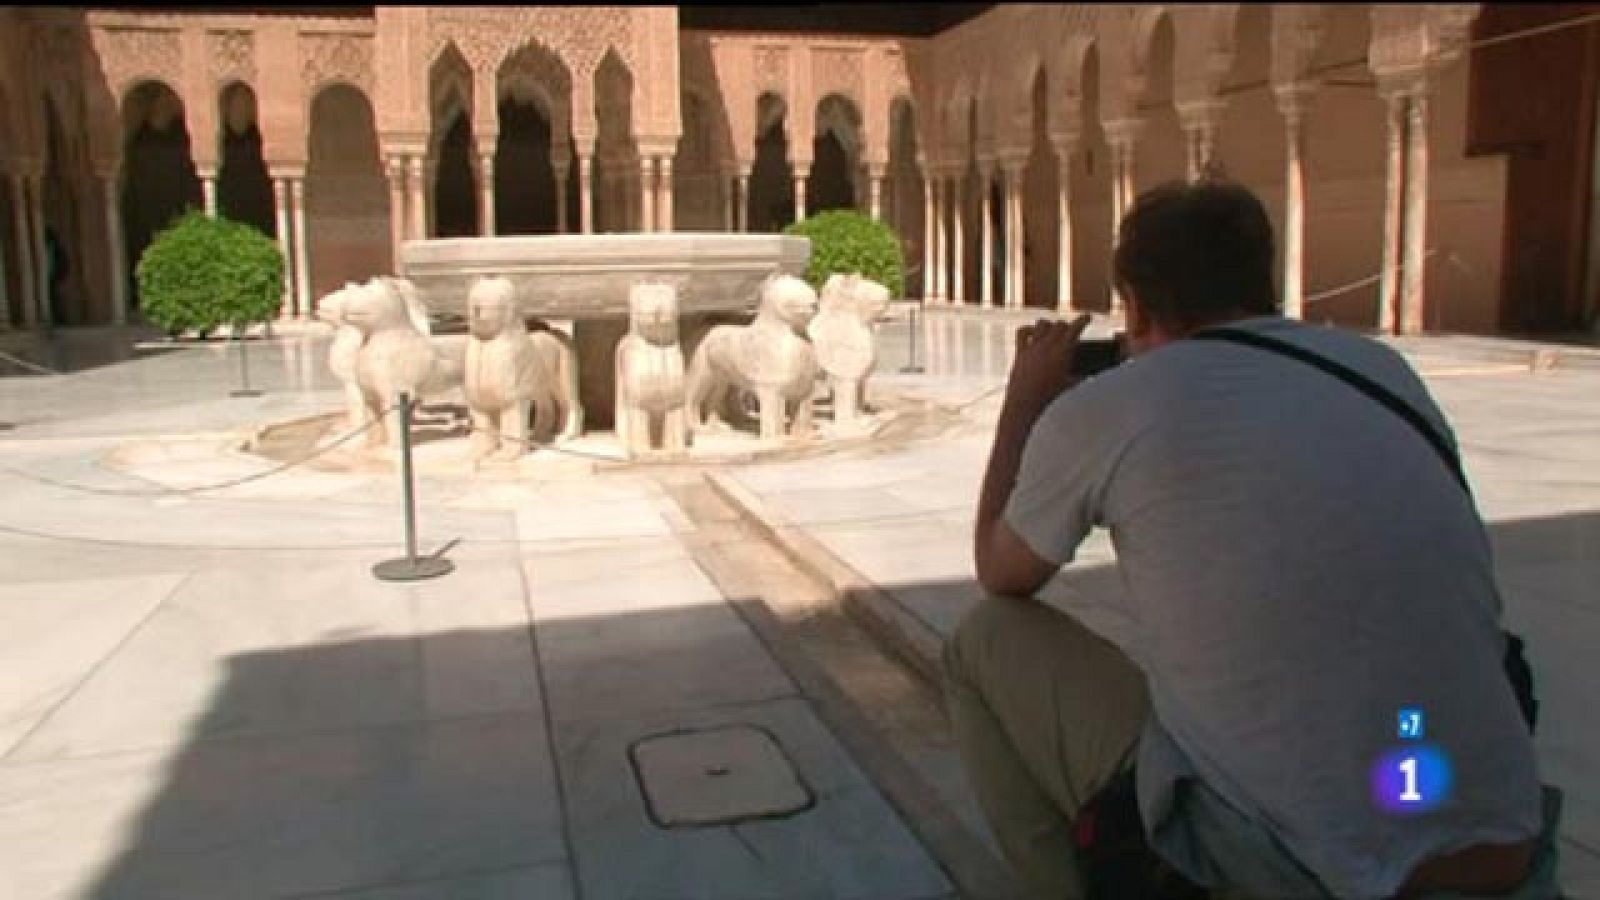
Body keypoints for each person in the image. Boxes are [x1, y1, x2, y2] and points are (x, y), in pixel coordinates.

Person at [947, 177, 1560, 898]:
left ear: (1135, 306)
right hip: (1508, 849)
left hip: (1312, 872)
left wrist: (1024, 402)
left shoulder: (1113, 406)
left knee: (984, 639)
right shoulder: (1382, 370)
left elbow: (1001, 569)